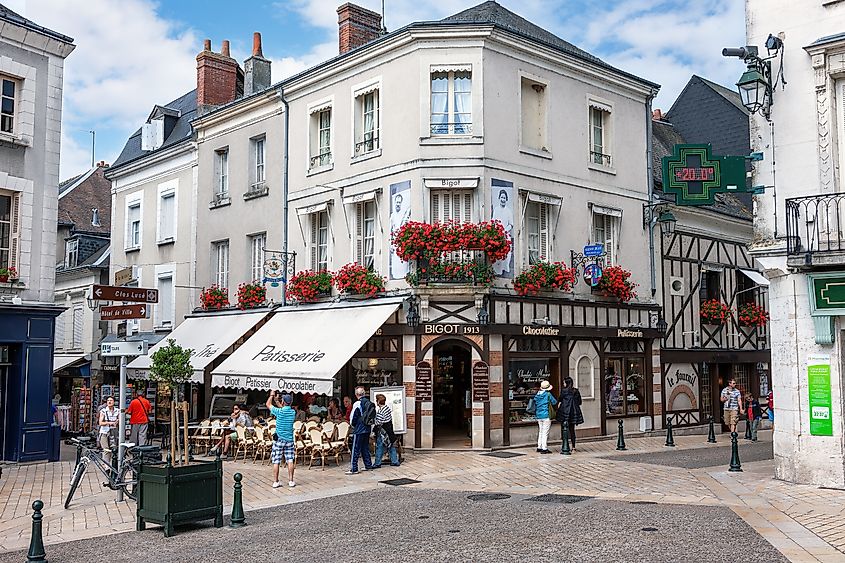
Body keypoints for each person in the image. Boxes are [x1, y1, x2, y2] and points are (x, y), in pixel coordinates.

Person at [266, 391, 296, 488]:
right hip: (289, 439)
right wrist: (277, 401)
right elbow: (283, 407)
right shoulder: (292, 412)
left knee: (276, 460)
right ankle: (291, 481)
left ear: (283, 401)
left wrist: (271, 395)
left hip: (279, 439)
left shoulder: (279, 412)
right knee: (290, 460)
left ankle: (276, 481)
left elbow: (268, 404)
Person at [346, 387, 374, 474]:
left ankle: (354, 468)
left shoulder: (357, 404)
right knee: (365, 447)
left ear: (356, 395)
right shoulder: (369, 402)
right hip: (367, 428)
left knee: (356, 449)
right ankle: (368, 465)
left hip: (359, 428)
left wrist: (353, 425)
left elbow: (353, 417)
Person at [556, 377, 584, 452]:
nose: (563, 383)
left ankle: (565, 445)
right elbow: (580, 402)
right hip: (574, 412)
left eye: (564, 382)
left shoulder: (564, 391)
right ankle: (573, 447)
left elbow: (560, 399)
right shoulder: (576, 391)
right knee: (572, 430)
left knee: (564, 429)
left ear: (566, 383)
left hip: (565, 412)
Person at [491, 189, 514, 276]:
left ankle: (505, 268)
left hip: (506, 234)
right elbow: (493, 221)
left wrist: (504, 230)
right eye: (501, 197)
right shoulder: (496, 209)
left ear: (506, 199)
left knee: (507, 252)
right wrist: (496, 230)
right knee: (497, 252)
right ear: (499, 198)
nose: (503, 199)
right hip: (497, 234)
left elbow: (511, 224)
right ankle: (498, 270)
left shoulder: (508, 211)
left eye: (504, 198)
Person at [373, 394, 399, 468]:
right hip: (389, 430)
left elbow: (378, 422)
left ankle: (377, 463)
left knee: (379, 446)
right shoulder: (387, 408)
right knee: (391, 445)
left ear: (378, 402)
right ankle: (395, 461)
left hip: (383, 432)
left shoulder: (381, 411)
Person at [390, 192, 411, 279]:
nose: (398, 204)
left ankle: (404, 275)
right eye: (396, 202)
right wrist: (390, 244)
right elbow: (389, 230)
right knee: (396, 263)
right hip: (395, 244)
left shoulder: (404, 215)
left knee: (403, 265)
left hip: (403, 243)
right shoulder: (392, 216)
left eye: (399, 202)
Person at [534, 380, 557, 454]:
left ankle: (539, 446)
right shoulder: (548, 394)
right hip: (546, 415)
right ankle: (544, 448)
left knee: (540, 431)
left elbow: (535, 402)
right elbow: (554, 402)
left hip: (538, 415)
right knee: (545, 432)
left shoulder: (537, 394)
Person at [98, 396, 120, 464]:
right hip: (104, 432)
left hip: (114, 432)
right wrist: (109, 423)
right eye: (108, 400)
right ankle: (106, 466)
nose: (109, 402)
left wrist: (118, 421)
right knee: (106, 449)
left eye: (111, 400)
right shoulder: (103, 411)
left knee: (114, 449)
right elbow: (100, 423)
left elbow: (120, 420)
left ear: (114, 402)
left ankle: (113, 465)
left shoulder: (117, 411)